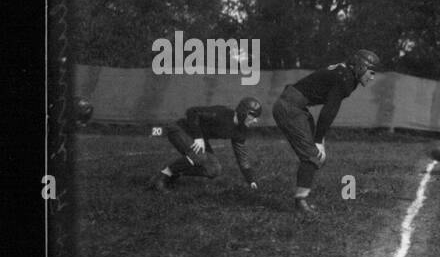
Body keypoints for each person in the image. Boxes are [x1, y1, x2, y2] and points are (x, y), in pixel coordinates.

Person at [272, 49, 378, 213]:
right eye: (371, 72)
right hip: (290, 107)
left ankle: (302, 199)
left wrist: (319, 138)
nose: (372, 77)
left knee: (315, 156)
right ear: (361, 66)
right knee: (313, 156)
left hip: (294, 104)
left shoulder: (345, 73)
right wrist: (318, 140)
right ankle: (300, 203)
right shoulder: (346, 78)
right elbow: (329, 110)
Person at [148, 97, 262, 192]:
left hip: (197, 137)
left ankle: (173, 171)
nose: (256, 120)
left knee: (213, 169)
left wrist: (251, 180)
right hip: (180, 129)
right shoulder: (222, 113)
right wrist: (198, 137)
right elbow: (192, 112)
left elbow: (242, 158)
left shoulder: (241, 130)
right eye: (253, 115)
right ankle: (161, 178)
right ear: (243, 112)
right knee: (199, 156)